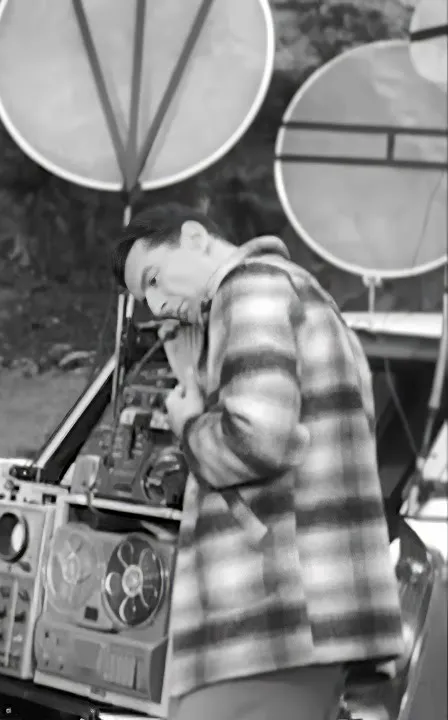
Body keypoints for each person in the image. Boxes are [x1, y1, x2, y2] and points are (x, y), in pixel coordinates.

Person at [112, 203, 405, 720]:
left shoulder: (249, 288)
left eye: (154, 278)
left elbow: (258, 439)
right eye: (145, 298)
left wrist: (188, 424)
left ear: (196, 237)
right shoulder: (293, 292)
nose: (157, 304)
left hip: (270, 619)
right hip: (294, 621)